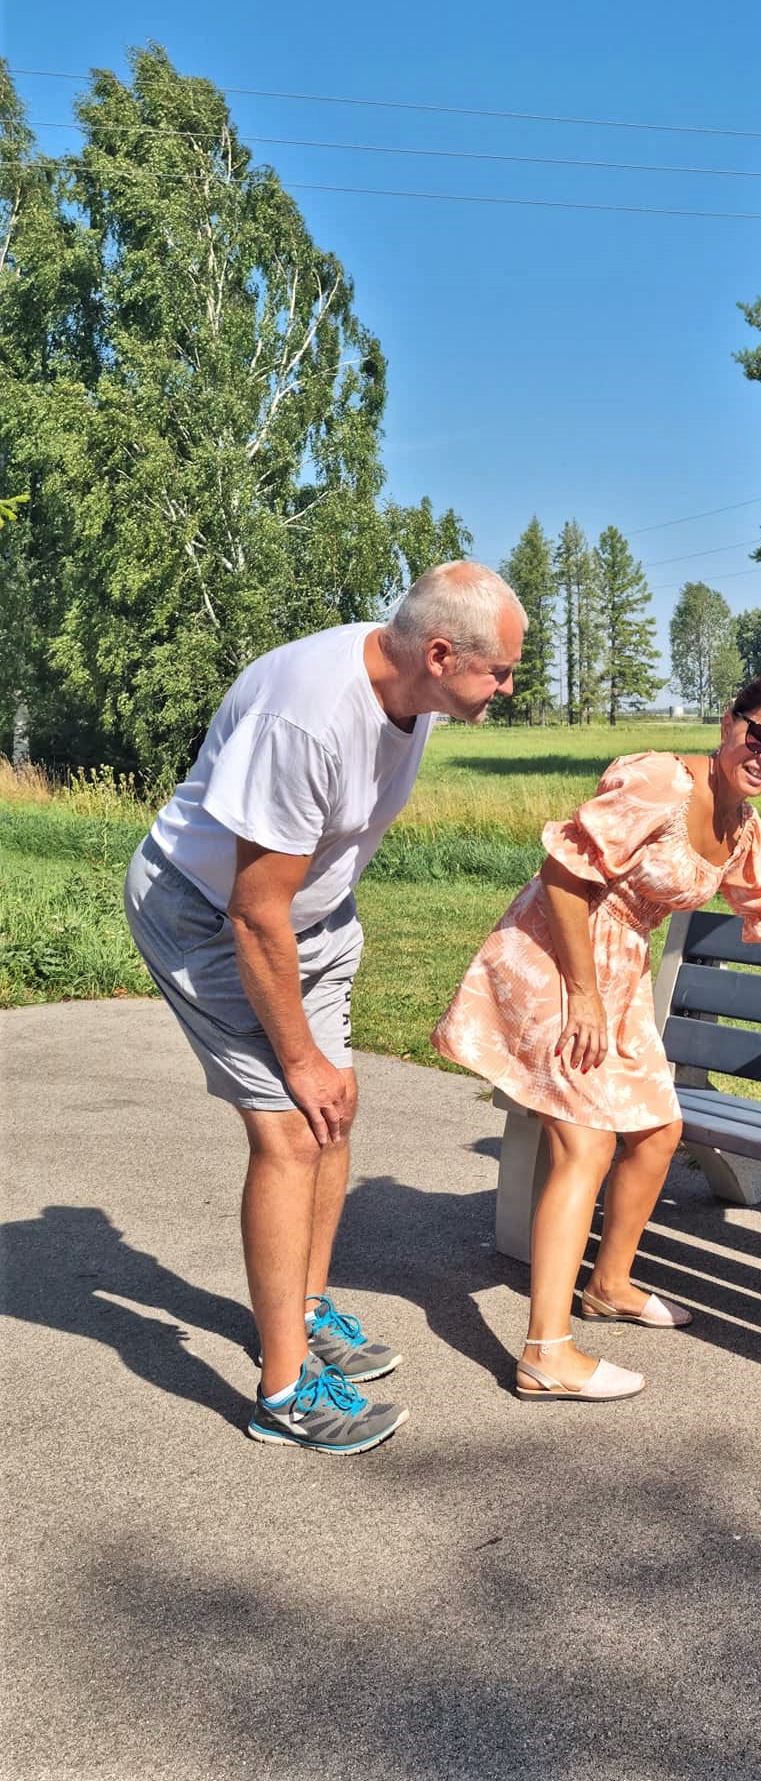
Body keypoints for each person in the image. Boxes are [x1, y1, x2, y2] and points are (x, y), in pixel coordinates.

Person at [433, 675, 761, 1403]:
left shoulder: (742, 829)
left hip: (619, 972)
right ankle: (545, 1352)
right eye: (759, 734)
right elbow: (565, 873)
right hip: (556, 953)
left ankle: (607, 1285)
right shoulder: (660, 781)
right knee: (587, 1141)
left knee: (659, 1130)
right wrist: (581, 995)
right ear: (729, 720)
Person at [124, 562, 526, 1452]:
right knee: (291, 1126)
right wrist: (298, 1055)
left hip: (312, 917)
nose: (508, 687)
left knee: (335, 1111)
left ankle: (302, 1311)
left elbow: (312, 870)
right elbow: (252, 908)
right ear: (441, 651)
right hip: (208, 913)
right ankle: (281, 1393)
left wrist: (322, 1040)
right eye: (500, 672)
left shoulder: (413, 696)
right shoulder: (306, 716)